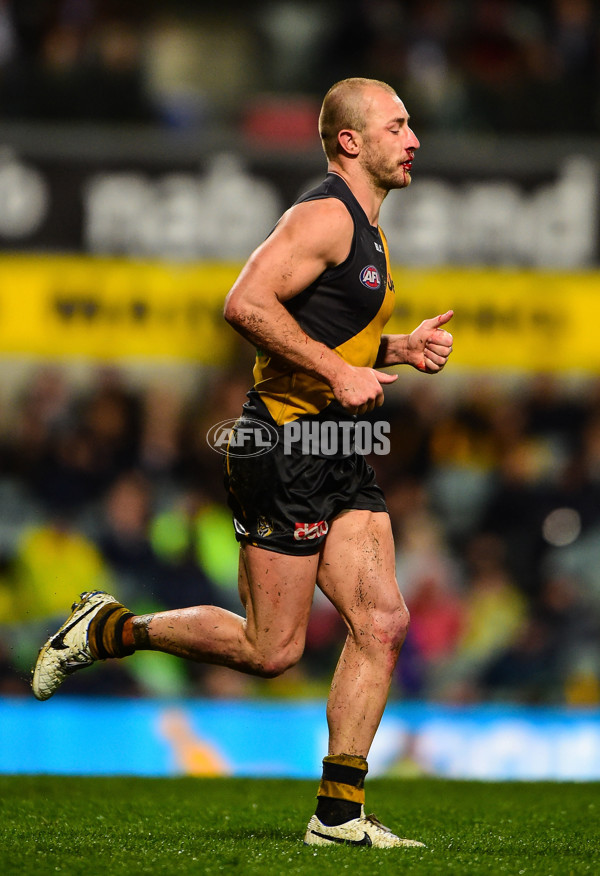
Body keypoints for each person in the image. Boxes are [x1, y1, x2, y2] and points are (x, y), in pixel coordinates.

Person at [32, 77, 454, 848]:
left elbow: (324, 330)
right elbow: (245, 303)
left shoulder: (366, 228)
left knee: (383, 622)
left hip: (338, 447)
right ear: (351, 142)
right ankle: (110, 628)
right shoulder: (326, 215)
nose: (414, 138)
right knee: (274, 649)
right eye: (397, 125)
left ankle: (338, 816)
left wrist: (394, 350)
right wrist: (338, 373)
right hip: (284, 447)